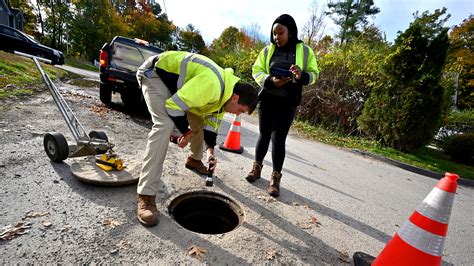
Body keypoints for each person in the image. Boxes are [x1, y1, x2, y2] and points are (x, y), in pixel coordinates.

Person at [136, 51, 259, 227]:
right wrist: (185, 133)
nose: (237, 115)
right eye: (240, 110)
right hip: (154, 74)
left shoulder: (224, 97)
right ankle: (146, 195)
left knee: (199, 118)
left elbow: (210, 127)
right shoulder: (212, 85)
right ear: (236, 97)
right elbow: (173, 105)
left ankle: (195, 160)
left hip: (178, 89)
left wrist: (210, 153)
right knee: (164, 125)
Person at [246, 14, 319, 197]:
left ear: (291, 31)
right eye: (274, 33)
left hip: (288, 103)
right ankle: (256, 169)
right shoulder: (267, 50)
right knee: (263, 135)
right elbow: (257, 70)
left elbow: (314, 73)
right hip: (268, 99)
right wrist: (271, 80)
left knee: (278, 140)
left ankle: (275, 179)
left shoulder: (305, 51)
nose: (277, 37)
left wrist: (300, 76)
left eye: (281, 33)